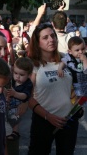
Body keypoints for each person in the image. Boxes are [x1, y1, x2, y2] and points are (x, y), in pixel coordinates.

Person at [27, 23, 79, 155]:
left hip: (68, 121)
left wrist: (78, 105)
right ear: (37, 43)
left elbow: (76, 85)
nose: (51, 40)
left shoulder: (67, 59)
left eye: (52, 36)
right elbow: (28, 96)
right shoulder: (33, 64)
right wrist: (47, 116)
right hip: (43, 121)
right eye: (45, 37)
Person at [6, 57, 33, 140]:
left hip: (18, 105)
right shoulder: (12, 81)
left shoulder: (28, 84)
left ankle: (15, 132)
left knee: (16, 117)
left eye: (21, 75)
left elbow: (25, 96)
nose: (17, 76)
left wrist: (15, 93)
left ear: (29, 75)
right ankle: (8, 130)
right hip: (10, 104)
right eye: (15, 73)